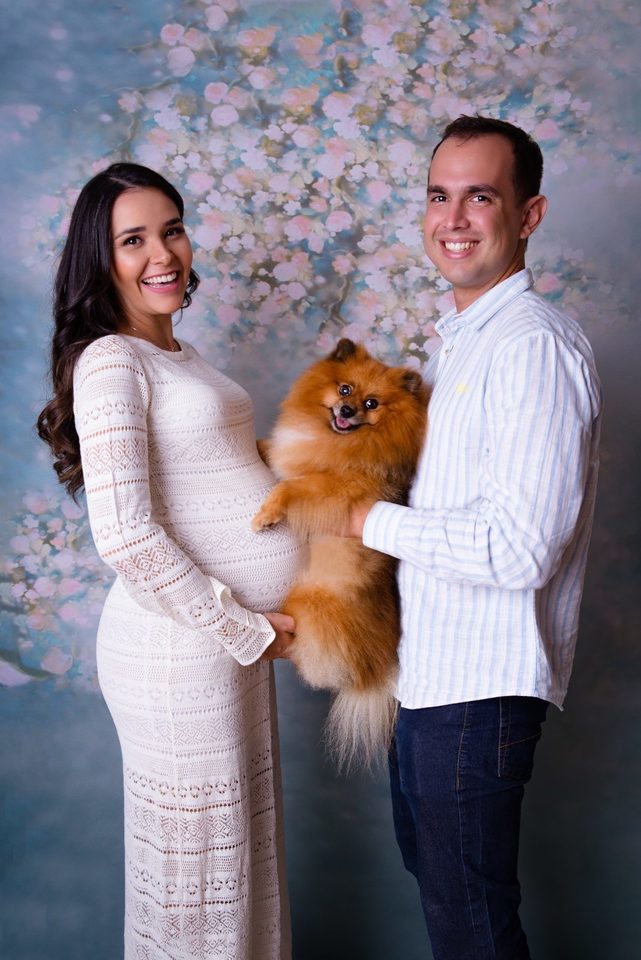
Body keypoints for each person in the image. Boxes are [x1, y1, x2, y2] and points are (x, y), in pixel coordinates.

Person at [347, 116, 602, 959]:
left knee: (471, 932)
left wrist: (364, 520)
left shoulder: (530, 347)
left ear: (528, 215)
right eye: (438, 196)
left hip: (477, 692)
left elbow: (520, 549)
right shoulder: (458, 345)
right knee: (454, 912)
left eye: (480, 197)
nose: (452, 219)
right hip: (429, 681)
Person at [37, 162, 303, 960]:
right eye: (133, 240)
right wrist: (246, 628)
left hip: (221, 646)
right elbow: (125, 534)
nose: (163, 254)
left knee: (241, 867)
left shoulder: (178, 355)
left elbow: (211, 472)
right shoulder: (111, 360)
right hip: (180, 651)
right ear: (99, 258)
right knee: (199, 886)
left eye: (173, 230)